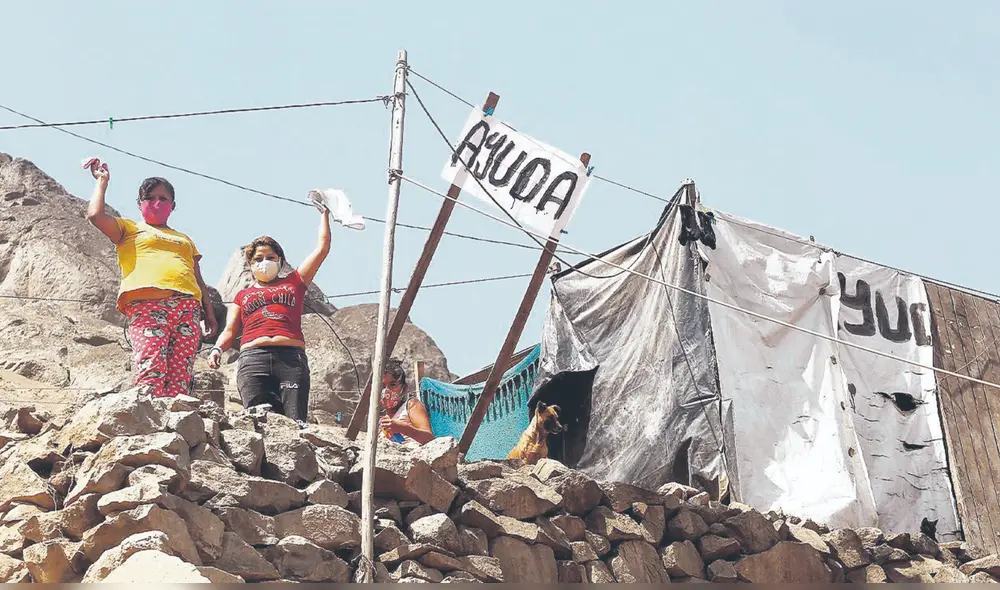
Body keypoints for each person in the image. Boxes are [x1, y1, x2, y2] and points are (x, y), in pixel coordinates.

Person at [85, 158, 218, 398]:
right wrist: (102, 182)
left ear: (173, 205)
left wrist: (209, 313)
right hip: (147, 305)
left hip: (187, 307)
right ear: (139, 204)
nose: (156, 202)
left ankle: (175, 426)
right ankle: (148, 426)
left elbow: (198, 277)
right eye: (150, 198)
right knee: (152, 369)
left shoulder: (184, 239)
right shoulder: (129, 229)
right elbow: (95, 215)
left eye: (163, 198)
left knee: (181, 376)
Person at [208, 205, 331, 423]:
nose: (264, 262)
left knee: (295, 423)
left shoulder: (295, 282)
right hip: (253, 359)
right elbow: (230, 330)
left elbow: (321, 249)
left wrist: (325, 216)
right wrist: (217, 348)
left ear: (280, 261)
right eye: (258, 259)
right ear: (250, 265)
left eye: (270, 257)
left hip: (290, 359)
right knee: (258, 423)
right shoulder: (241, 296)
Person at [379, 359, 434, 444]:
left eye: (393, 385)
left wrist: (403, 428)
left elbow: (429, 439)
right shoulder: (380, 420)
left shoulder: (411, 405)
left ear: (404, 388)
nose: (386, 390)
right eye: (382, 386)